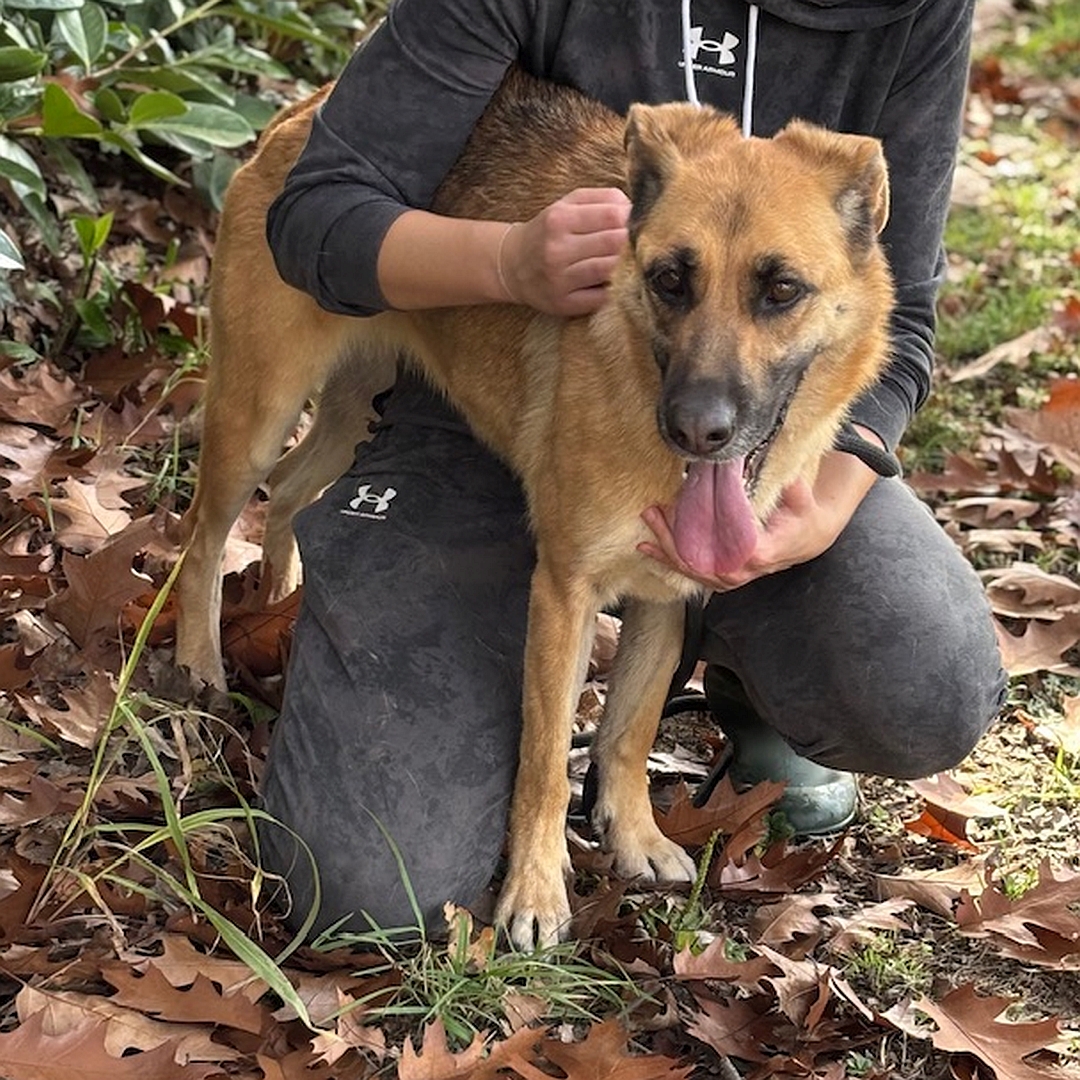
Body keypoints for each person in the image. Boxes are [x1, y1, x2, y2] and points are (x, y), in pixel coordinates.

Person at [256, 0, 1006, 940]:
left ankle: (741, 690)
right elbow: (311, 210)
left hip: (774, 447)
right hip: (474, 400)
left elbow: (907, 321)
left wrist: (837, 488)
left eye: (780, 291)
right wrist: (505, 259)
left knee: (926, 685)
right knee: (365, 890)